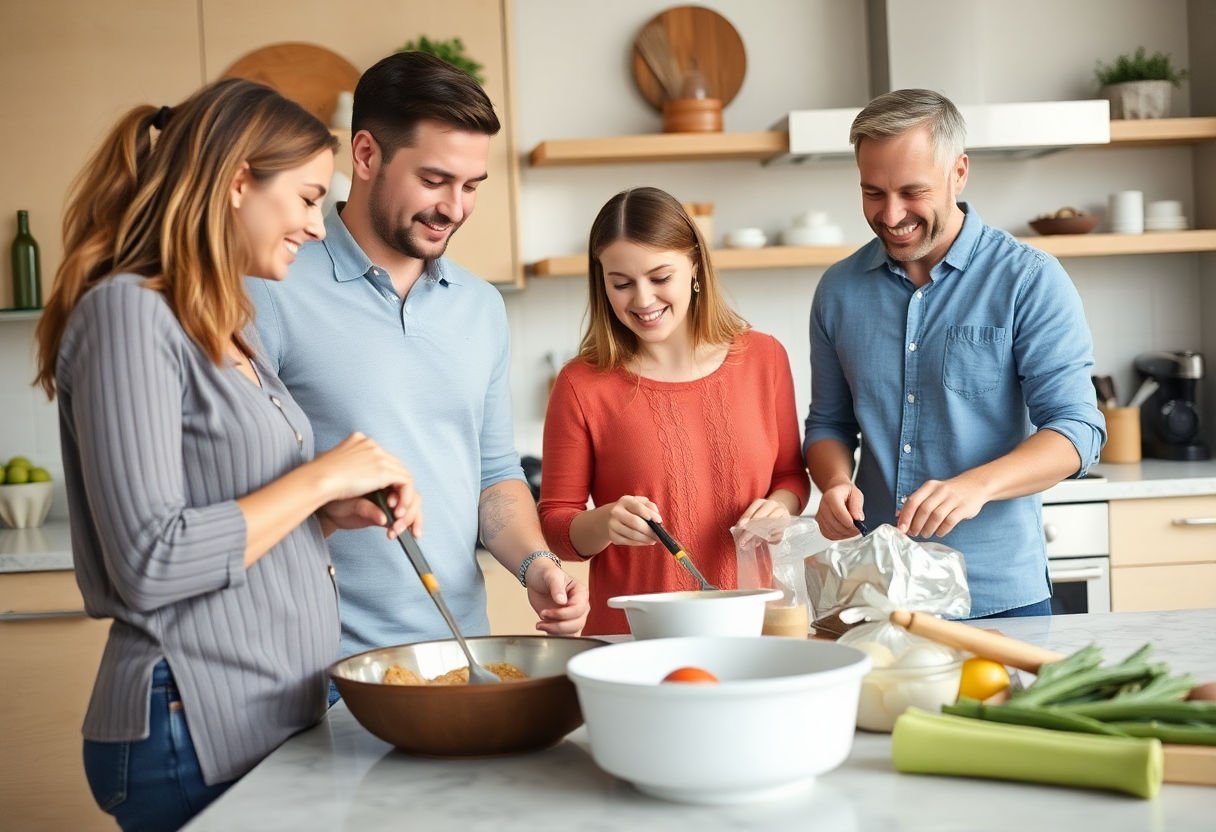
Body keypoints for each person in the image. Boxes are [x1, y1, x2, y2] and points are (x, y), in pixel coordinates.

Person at [32, 79, 421, 832]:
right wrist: (317, 477)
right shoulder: (127, 315)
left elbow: (226, 521)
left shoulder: (224, 327)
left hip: (265, 709)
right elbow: (150, 561)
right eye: (308, 198)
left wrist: (325, 511)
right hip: (191, 720)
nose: (317, 225)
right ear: (239, 180)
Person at [248, 51, 589, 662]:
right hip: (320, 667)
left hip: (461, 656)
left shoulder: (480, 307)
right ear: (366, 155)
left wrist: (535, 564)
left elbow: (493, 474)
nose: (454, 208)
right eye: (434, 180)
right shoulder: (270, 287)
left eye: (471, 186)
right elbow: (245, 485)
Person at [804, 88, 1106, 619]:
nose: (891, 214)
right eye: (872, 192)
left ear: (959, 173)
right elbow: (828, 423)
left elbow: (1078, 430)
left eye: (911, 191)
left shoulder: (1028, 280)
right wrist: (832, 483)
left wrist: (977, 487)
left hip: (997, 593)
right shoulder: (838, 291)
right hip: (880, 592)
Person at [538, 187, 811, 635]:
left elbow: (789, 476)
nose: (642, 300)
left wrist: (778, 509)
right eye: (621, 283)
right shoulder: (580, 383)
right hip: (635, 637)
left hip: (756, 628)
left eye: (659, 277)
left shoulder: (765, 358)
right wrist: (605, 522)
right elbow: (555, 526)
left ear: (695, 267)